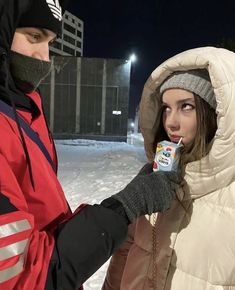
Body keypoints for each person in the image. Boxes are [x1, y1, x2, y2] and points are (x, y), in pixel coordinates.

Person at [0, 1, 181, 289]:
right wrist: (122, 209)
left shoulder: (25, 107)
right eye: (34, 37)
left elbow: (43, 217)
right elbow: (23, 277)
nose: (44, 58)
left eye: (50, 42)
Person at [102, 46, 235, 290]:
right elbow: (124, 253)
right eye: (166, 108)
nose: (171, 122)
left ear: (215, 113)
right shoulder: (152, 179)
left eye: (186, 106)